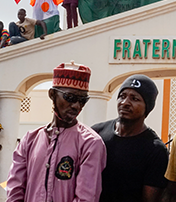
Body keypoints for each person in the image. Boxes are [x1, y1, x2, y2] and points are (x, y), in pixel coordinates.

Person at [6, 62, 106, 202]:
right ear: (52, 94)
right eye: (70, 98)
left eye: (82, 100)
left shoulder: (90, 143)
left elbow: (86, 197)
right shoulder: (30, 139)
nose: (76, 106)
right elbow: (14, 191)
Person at [92, 75, 168, 202]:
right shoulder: (96, 134)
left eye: (134, 99)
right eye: (122, 96)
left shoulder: (155, 150)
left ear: (147, 107)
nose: (125, 103)